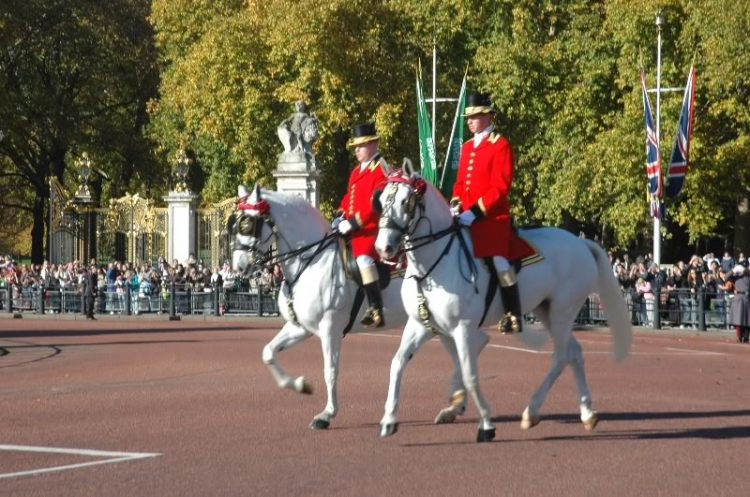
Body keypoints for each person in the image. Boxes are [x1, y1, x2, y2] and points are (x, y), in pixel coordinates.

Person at [450, 92, 522, 333]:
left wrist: (476, 213)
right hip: (465, 216)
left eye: (473, 117)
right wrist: (456, 203)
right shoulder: (468, 146)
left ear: (486, 116)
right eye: (468, 118)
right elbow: (460, 182)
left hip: (492, 219)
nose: (468, 121)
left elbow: (500, 186)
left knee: (499, 261)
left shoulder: (500, 144)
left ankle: (513, 313)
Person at [333, 122, 389, 327]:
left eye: (361, 145)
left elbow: (376, 205)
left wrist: (353, 222)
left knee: (364, 259)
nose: (356, 149)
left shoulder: (381, 169)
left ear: (374, 144)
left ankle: (376, 307)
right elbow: (349, 198)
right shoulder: (356, 171)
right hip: (353, 229)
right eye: (355, 146)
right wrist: (339, 216)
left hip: (371, 230)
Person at [729, 265, 750, 343]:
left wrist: (745, 270)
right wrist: (733, 270)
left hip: (747, 297)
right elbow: (724, 278)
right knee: (738, 319)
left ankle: (746, 336)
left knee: (747, 319)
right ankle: (738, 336)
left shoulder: (748, 274)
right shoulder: (736, 276)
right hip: (738, 296)